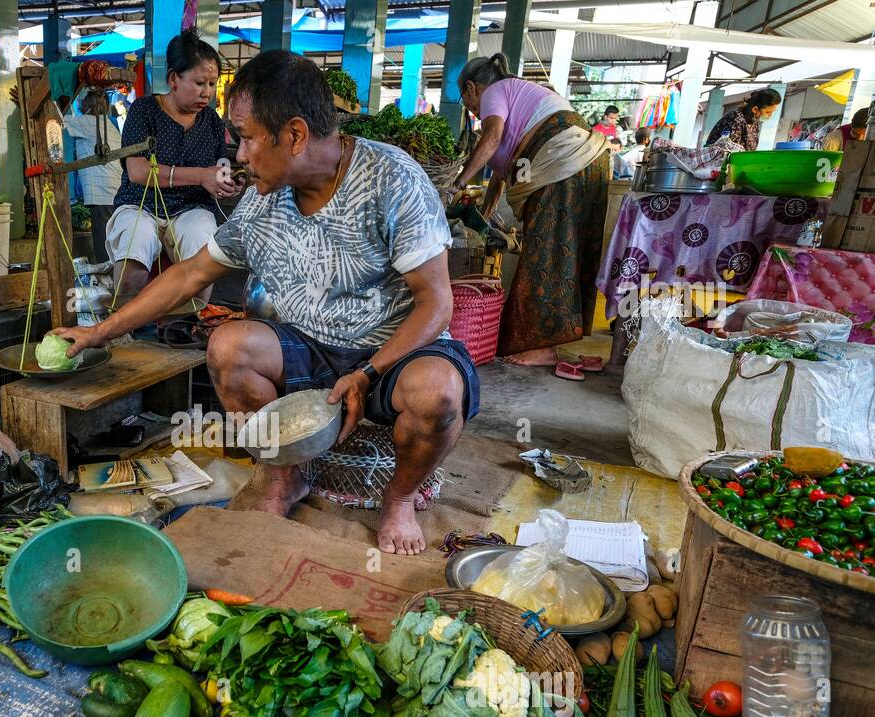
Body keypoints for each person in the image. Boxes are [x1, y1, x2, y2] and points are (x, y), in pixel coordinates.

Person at [50, 51, 478, 556]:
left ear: (295, 135)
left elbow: (436, 304)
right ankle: (284, 476)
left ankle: (400, 498)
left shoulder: (392, 179)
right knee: (230, 348)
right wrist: (98, 331)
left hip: (393, 351)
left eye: (247, 137)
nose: (240, 153)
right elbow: (190, 274)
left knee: (438, 393)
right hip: (309, 348)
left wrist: (368, 373)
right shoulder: (262, 200)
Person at [450, 54, 611, 367]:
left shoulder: (496, 91)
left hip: (562, 161)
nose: (473, 110)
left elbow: (492, 136)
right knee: (568, 255)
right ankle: (555, 340)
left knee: (544, 253)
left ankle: (542, 348)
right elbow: (498, 175)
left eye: (468, 103)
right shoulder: (521, 98)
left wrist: (456, 184)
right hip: (586, 161)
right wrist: (483, 217)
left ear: (472, 87)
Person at [106, 29, 241, 312]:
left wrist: (227, 180)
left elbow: (221, 166)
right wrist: (201, 175)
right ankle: (121, 326)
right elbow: (138, 172)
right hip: (139, 206)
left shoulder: (213, 123)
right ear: (173, 79)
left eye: (212, 84)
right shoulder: (144, 110)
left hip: (191, 209)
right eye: (199, 82)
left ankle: (182, 325)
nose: (207, 92)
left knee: (203, 251)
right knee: (137, 241)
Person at [64, 89, 123, 259]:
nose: (81, 107)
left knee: (104, 245)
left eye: (82, 104)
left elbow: (58, 120)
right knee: (114, 242)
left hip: (103, 195)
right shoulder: (109, 126)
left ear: (87, 106)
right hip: (115, 193)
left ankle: (110, 281)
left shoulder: (89, 122)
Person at [704, 88, 781, 151]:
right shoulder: (736, 120)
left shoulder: (753, 121)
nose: (770, 115)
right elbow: (729, 152)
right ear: (755, 109)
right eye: (768, 112)